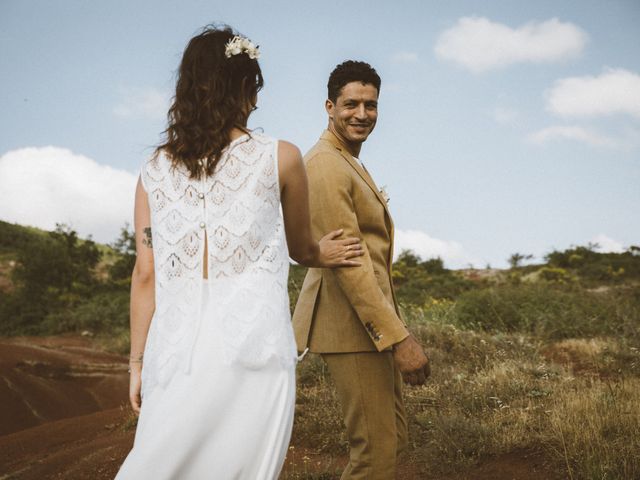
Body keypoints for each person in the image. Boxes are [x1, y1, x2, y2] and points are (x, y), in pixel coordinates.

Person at [115, 26, 363, 480]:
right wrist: (321, 254)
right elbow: (301, 247)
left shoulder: (153, 170)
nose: (257, 103)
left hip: (174, 354)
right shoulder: (281, 157)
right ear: (244, 89)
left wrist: (137, 365)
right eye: (255, 89)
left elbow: (145, 274)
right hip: (256, 347)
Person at [292, 60, 431, 479]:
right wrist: (398, 338)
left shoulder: (347, 160)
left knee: (392, 443)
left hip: (368, 325)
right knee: (374, 455)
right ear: (329, 106)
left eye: (371, 105)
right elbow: (350, 262)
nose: (362, 114)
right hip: (350, 327)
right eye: (351, 104)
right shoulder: (325, 165)